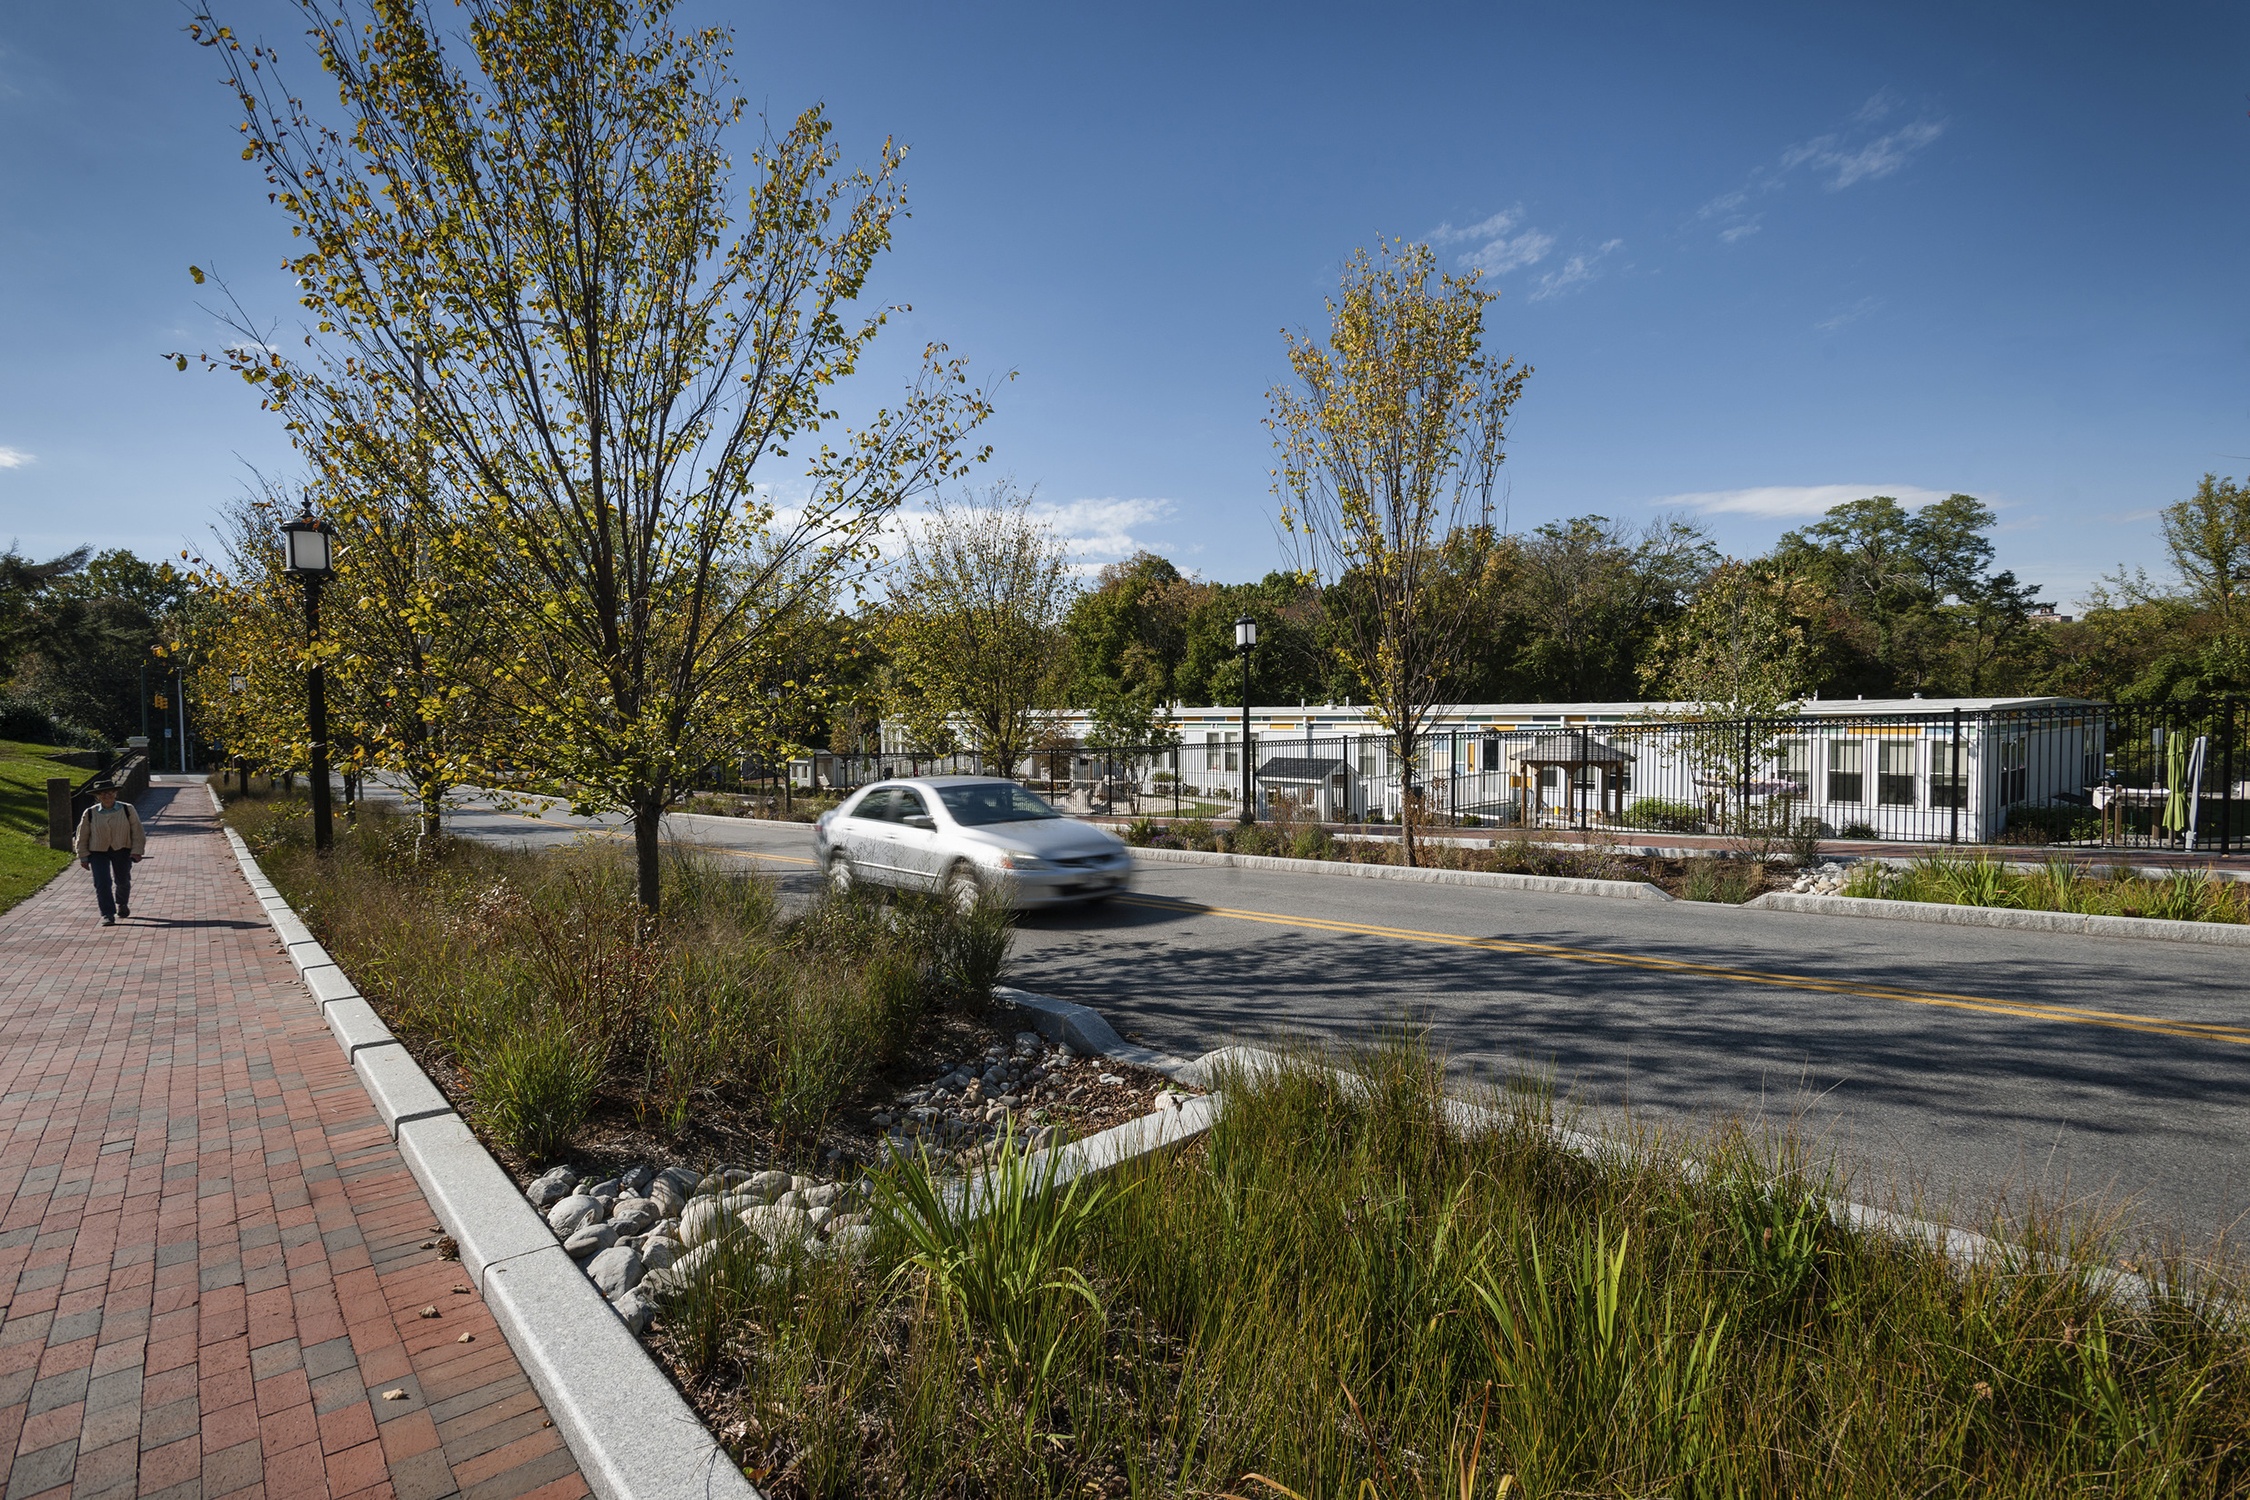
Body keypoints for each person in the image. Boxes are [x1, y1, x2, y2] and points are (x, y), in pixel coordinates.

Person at [74, 780, 146, 926]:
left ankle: (122, 903)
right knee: (102, 883)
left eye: (110, 792)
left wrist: (137, 851)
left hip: (122, 849)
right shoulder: (90, 813)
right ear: (97, 796)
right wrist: (83, 856)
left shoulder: (127, 809)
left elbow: (137, 831)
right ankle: (107, 914)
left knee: (122, 880)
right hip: (97, 851)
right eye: (102, 793)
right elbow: (82, 836)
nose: (107, 795)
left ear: (115, 793)